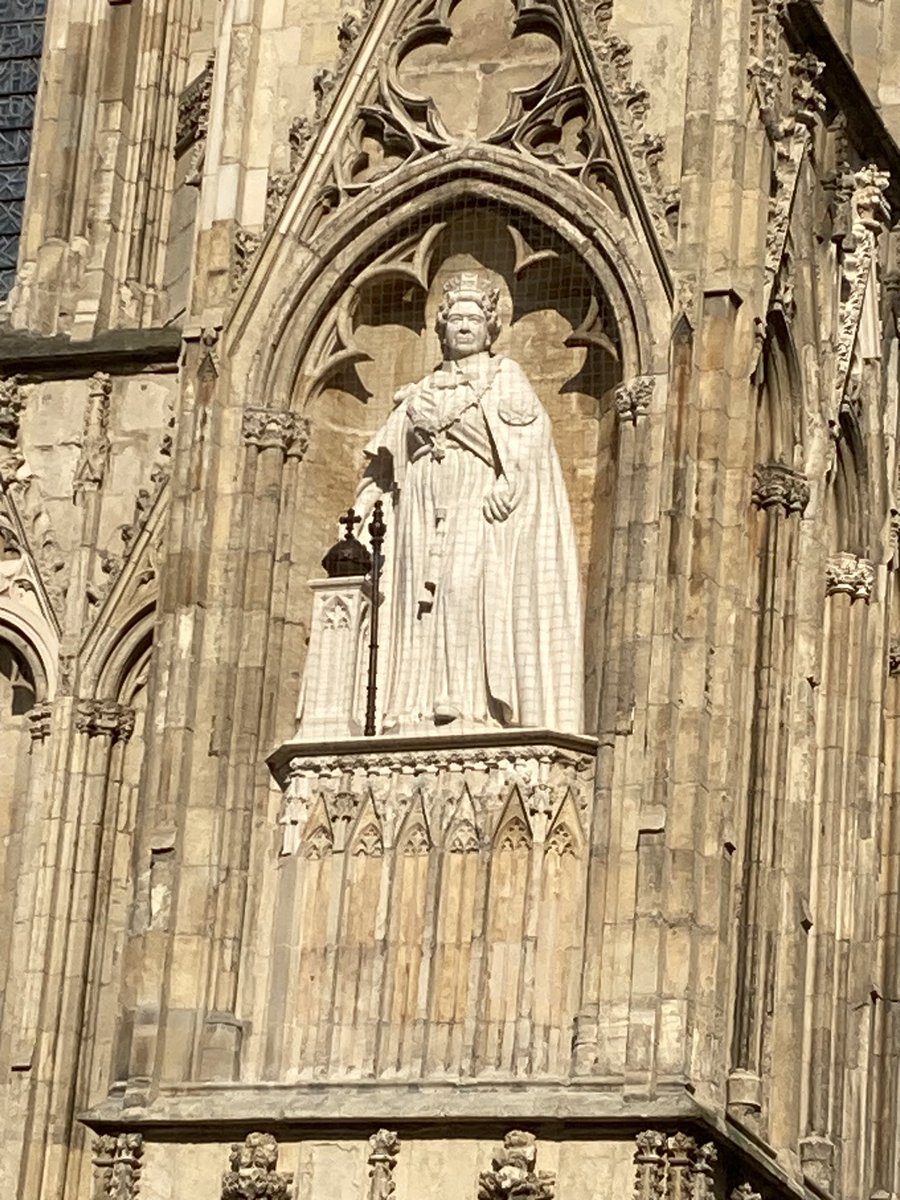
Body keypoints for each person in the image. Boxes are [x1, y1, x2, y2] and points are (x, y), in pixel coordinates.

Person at [356, 271, 584, 734]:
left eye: (473, 319)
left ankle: (466, 702)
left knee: (461, 590)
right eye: (455, 318)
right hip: (419, 503)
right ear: (440, 327)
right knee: (414, 599)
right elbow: (385, 460)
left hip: (473, 500)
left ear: (489, 327)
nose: (463, 326)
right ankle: (410, 706)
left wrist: (509, 484)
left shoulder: (505, 377)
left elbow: (528, 447)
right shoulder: (420, 388)